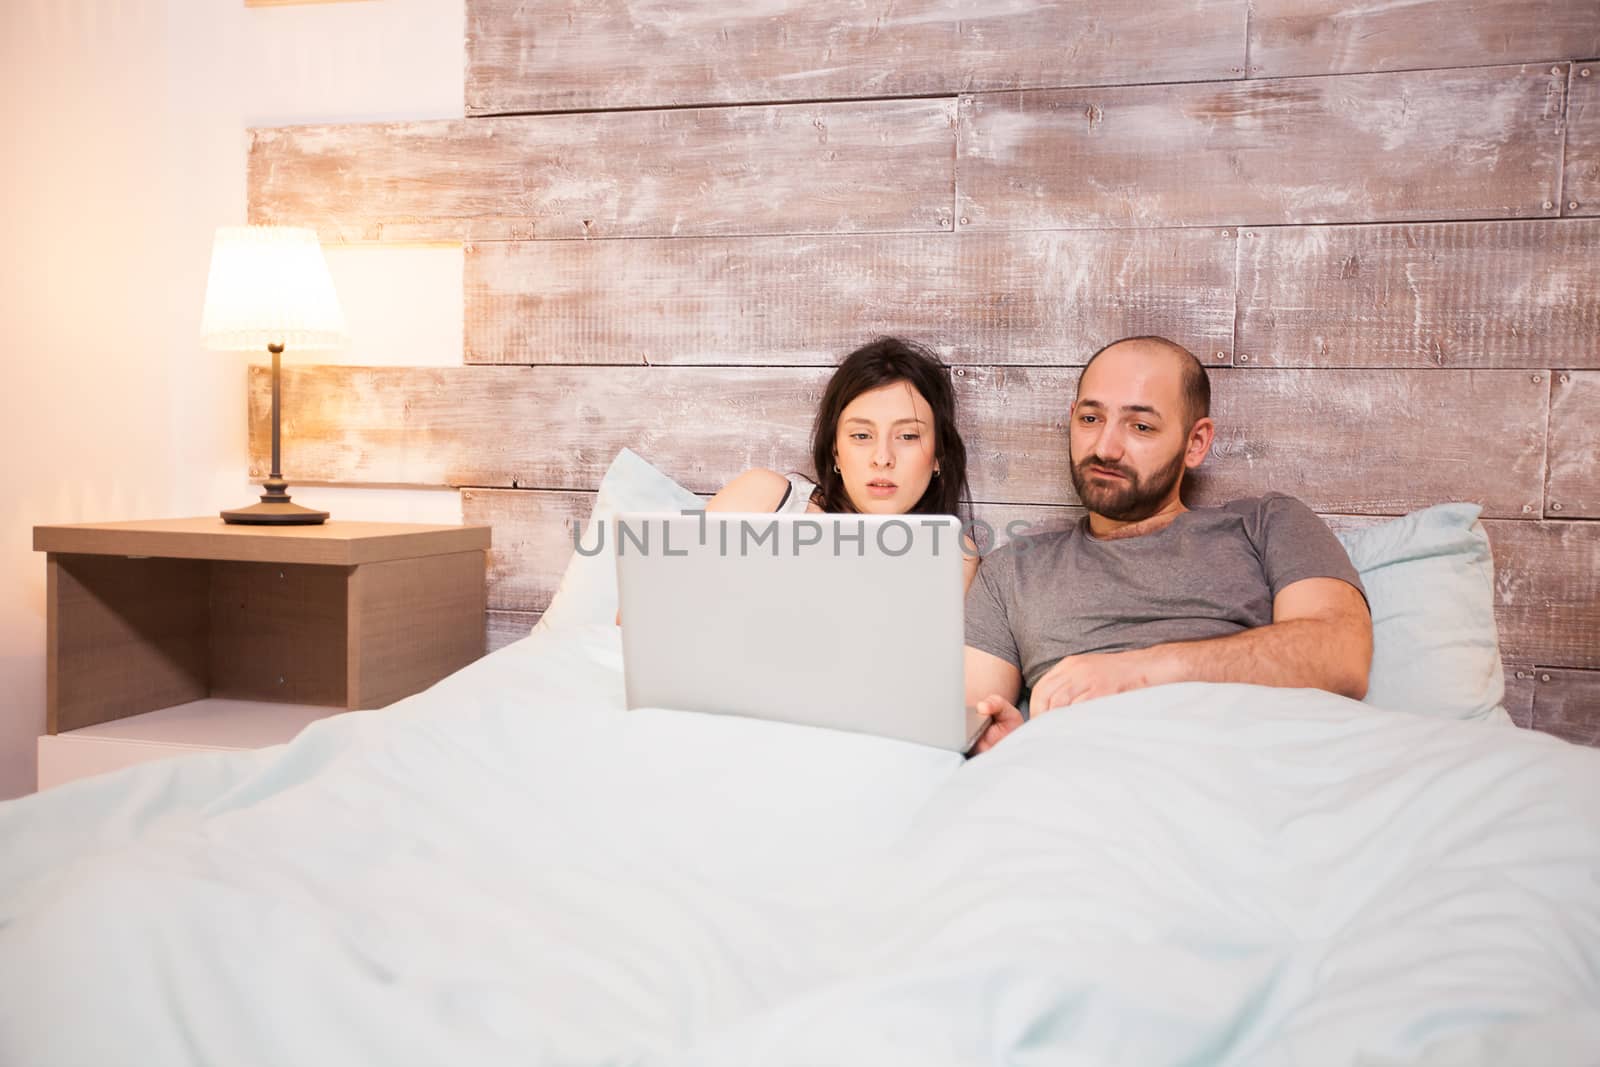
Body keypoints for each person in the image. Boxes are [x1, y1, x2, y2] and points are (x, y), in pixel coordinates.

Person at [966, 335, 1372, 753]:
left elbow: (1341, 655)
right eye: (1090, 419)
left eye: (1141, 426)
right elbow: (971, 710)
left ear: (1195, 443)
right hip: (1087, 770)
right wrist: (997, 738)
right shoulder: (1012, 570)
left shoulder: (1266, 523)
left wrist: (1140, 671)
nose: (1106, 448)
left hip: (1254, 752)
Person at [708, 336, 980, 593]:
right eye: (861, 435)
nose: (883, 458)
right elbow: (681, 602)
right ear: (835, 451)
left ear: (938, 456)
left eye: (907, 436)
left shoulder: (953, 557)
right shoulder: (765, 500)